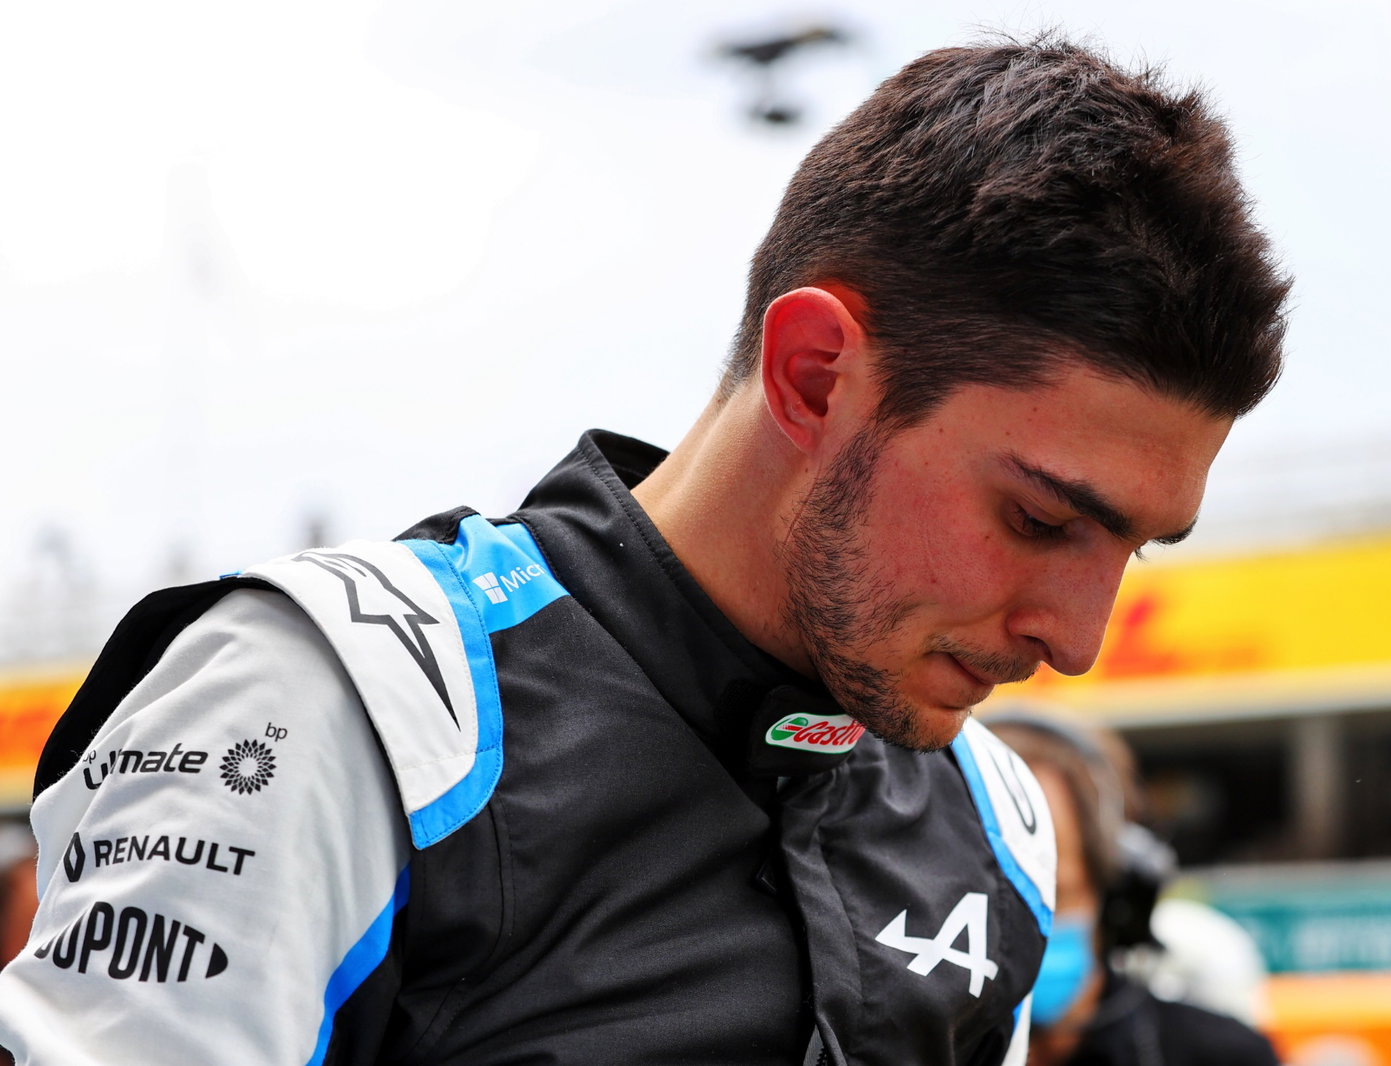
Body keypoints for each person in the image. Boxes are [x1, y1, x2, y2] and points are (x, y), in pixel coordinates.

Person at [0, 35, 1290, 1066]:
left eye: (1132, 547)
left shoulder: (997, 817)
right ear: (813, 372)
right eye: (1043, 519)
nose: (1075, 635)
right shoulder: (346, 707)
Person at [985, 715, 1280, 1066]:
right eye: (984, 903)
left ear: (1118, 891)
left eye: (1049, 898)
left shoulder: (1225, 1055)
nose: (1010, 930)